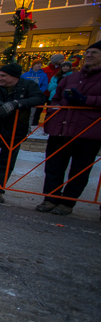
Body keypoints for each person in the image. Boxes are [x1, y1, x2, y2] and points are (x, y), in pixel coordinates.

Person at [37, 41, 101, 216]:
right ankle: (50, 198)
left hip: (87, 131)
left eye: (94, 53)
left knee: (79, 169)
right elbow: (55, 98)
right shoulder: (71, 77)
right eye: (88, 52)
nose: (89, 55)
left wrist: (86, 100)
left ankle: (67, 202)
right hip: (61, 128)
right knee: (53, 165)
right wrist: (53, 114)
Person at [0, 63, 46, 203]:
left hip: (15, 128)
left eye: (3, 76)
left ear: (14, 77)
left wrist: (16, 104)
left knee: (7, 161)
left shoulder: (28, 85)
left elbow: (40, 98)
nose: (0, 78)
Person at [22, 60, 49, 126]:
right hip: (25, 96)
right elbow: (20, 84)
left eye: (40, 64)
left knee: (32, 114)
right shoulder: (25, 75)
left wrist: (38, 92)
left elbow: (44, 85)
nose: (39, 65)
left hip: (35, 96)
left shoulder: (43, 75)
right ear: (33, 65)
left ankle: (28, 128)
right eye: (37, 64)